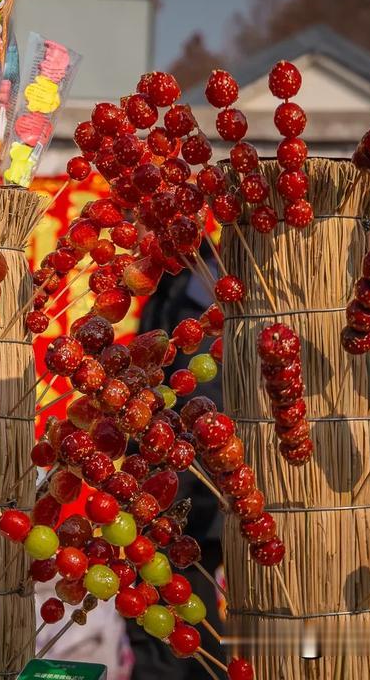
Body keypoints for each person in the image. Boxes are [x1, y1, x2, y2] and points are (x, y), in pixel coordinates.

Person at [126, 240, 227, 678]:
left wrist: (169, 488)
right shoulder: (169, 287)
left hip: (194, 487)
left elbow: (206, 398)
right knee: (163, 605)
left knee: (182, 602)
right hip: (166, 480)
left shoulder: (209, 293)